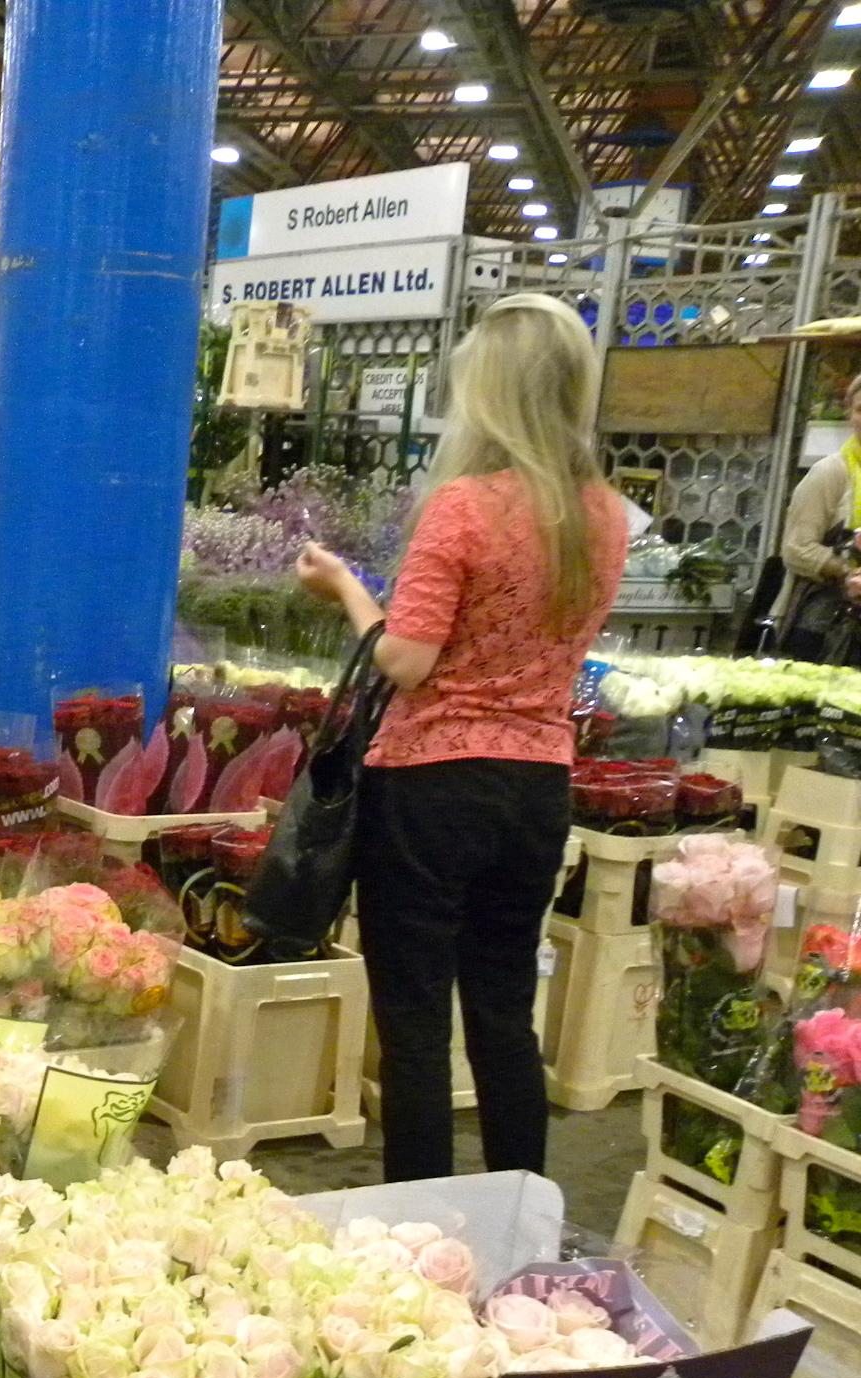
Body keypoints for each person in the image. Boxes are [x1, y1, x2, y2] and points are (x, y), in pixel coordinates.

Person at [295, 293, 627, 1183]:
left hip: (434, 783)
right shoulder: (605, 513)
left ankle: (421, 1232)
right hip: (539, 786)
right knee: (504, 1011)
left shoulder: (464, 506)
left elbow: (406, 660)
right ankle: (523, 1218)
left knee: (413, 1024)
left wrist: (346, 591)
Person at [773, 372, 861, 662]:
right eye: (860, 410)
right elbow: (796, 548)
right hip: (823, 627)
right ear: (849, 413)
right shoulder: (830, 473)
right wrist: (848, 571)